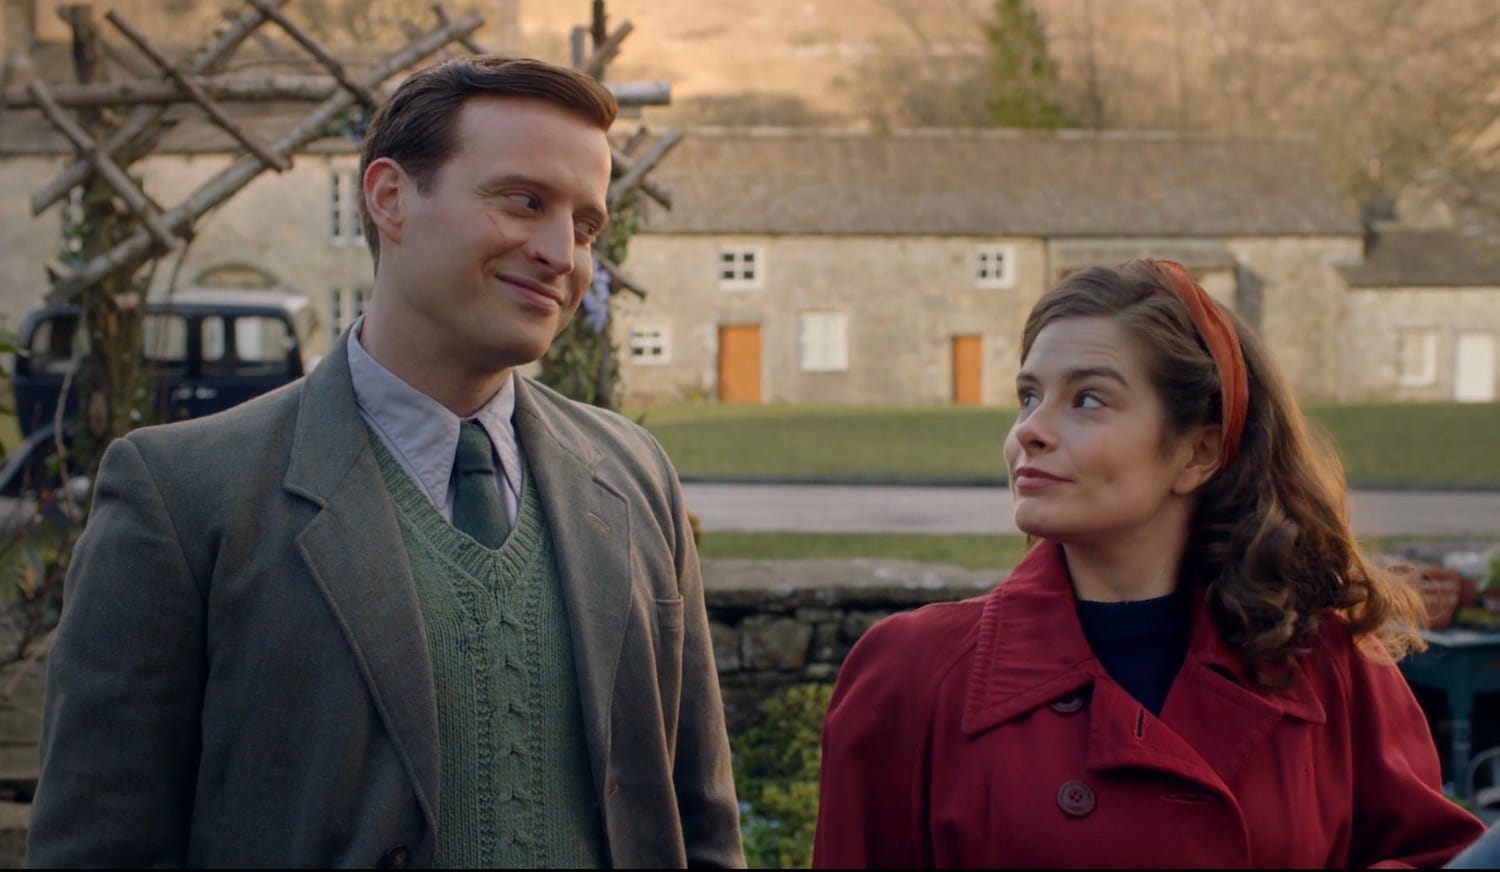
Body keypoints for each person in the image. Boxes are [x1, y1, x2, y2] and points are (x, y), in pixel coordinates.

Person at [28, 56, 744, 868]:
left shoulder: (634, 475)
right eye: (524, 201)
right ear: (390, 197)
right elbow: (100, 847)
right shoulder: (184, 497)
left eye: (585, 227)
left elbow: (702, 827)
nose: (561, 254)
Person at [813, 258, 1484, 868]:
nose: (1029, 431)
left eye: (1088, 399)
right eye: (1029, 396)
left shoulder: (1324, 662)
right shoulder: (910, 675)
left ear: (1198, 452)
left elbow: (1429, 855)